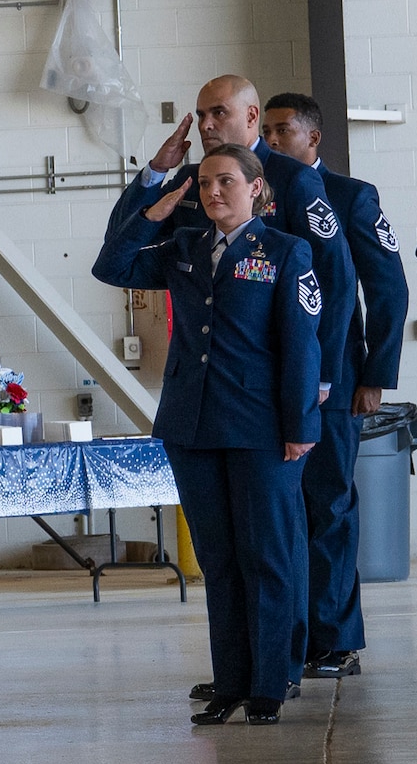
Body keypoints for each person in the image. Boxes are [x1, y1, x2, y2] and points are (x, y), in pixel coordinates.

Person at [94, 143, 322, 725]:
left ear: (256, 188)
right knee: (218, 559)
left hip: (261, 428)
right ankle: (230, 681)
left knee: (266, 556)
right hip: (193, 424)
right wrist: (153, 210)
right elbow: (111, 267)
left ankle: (270, 683)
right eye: (204, 184)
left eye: (226, 181)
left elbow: (301, 346)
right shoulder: (184, 247)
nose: (213, 192)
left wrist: (301, 426)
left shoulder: (286, 251)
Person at [261, 92, 410, 679]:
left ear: (312, 139)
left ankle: (337, 636)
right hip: (269, 383)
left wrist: (375, 374)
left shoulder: (350, 197)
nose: (272, 142)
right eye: (266, 131)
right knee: (279, 513)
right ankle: (287, 638)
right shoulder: (250, 194)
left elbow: (388, 286)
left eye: (283, 131)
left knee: (327, 505)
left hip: (336, 381)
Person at [110, 75, 355, 425]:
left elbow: (335, 275)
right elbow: (120, 240)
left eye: (219, 113)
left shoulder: (291, 177)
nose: (206, 125)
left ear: (251, 116)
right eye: (200, 115)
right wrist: (156, 171)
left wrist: (322, 373)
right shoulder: (193, 178)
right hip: (209, 381)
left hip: (283, 374)